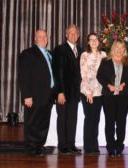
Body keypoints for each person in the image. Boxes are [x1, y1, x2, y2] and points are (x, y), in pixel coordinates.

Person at [97, 40, 128, 157]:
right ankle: (110, 147)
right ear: (113, 48)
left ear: (124, 49)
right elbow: (100, 76)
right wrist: (109, 86)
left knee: (121, 121)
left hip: (123, 95)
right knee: (109, 122)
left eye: (122, 47)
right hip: (108, 95)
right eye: (117, 47)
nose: (119, 50)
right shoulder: (105, 61)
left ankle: (119, 146)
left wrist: (123, 85)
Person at [18, 29, 55, 155]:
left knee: (44, 122)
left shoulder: (50, 54)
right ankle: (31, 147)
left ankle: (39, 144)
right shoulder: (28, 53)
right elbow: (24, 77)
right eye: (40, 36)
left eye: (45, 36)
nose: (43, 39)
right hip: (34, 96)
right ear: (35, 38)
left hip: (48, 95)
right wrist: (27, 96)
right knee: (33, 122)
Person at [52, 24, 83, 154]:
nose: (73, 35)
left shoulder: (81, 51)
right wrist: (59, 92)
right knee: (63, 118)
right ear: (66, 35)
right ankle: (62, 145)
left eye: (75, 33)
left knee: (72, 119)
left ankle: (71, 144)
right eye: (70, 33)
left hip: (75, 93)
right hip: (63, 92)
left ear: (78, 36)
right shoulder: (59, 49)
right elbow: (57, 72)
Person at [80, 33, 107, 154]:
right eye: (91, 39)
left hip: (100, 92)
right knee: (89, 118)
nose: (94, 41)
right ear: (88, 42)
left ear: (99, 41)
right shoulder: (84, 55)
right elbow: (83, 75)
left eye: (95, 39)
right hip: (87, 91)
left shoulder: (104, 55)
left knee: (96, 119)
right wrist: (88, 92)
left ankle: (94, 145)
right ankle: (87, 146)